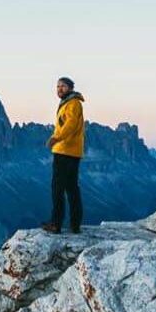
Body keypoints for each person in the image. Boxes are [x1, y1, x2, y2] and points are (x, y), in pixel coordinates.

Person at [42, 76, 85, 234]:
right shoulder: (69, 103)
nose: (59, 89)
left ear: (71, 88)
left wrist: (55, 138)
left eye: (63, 86)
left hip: (65, 151)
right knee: (72, 188)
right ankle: (75, 225)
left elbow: (71, 124)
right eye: (58, 86)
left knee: (58, 188)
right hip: (71, 151)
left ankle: (56, 223)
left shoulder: (73, 103)